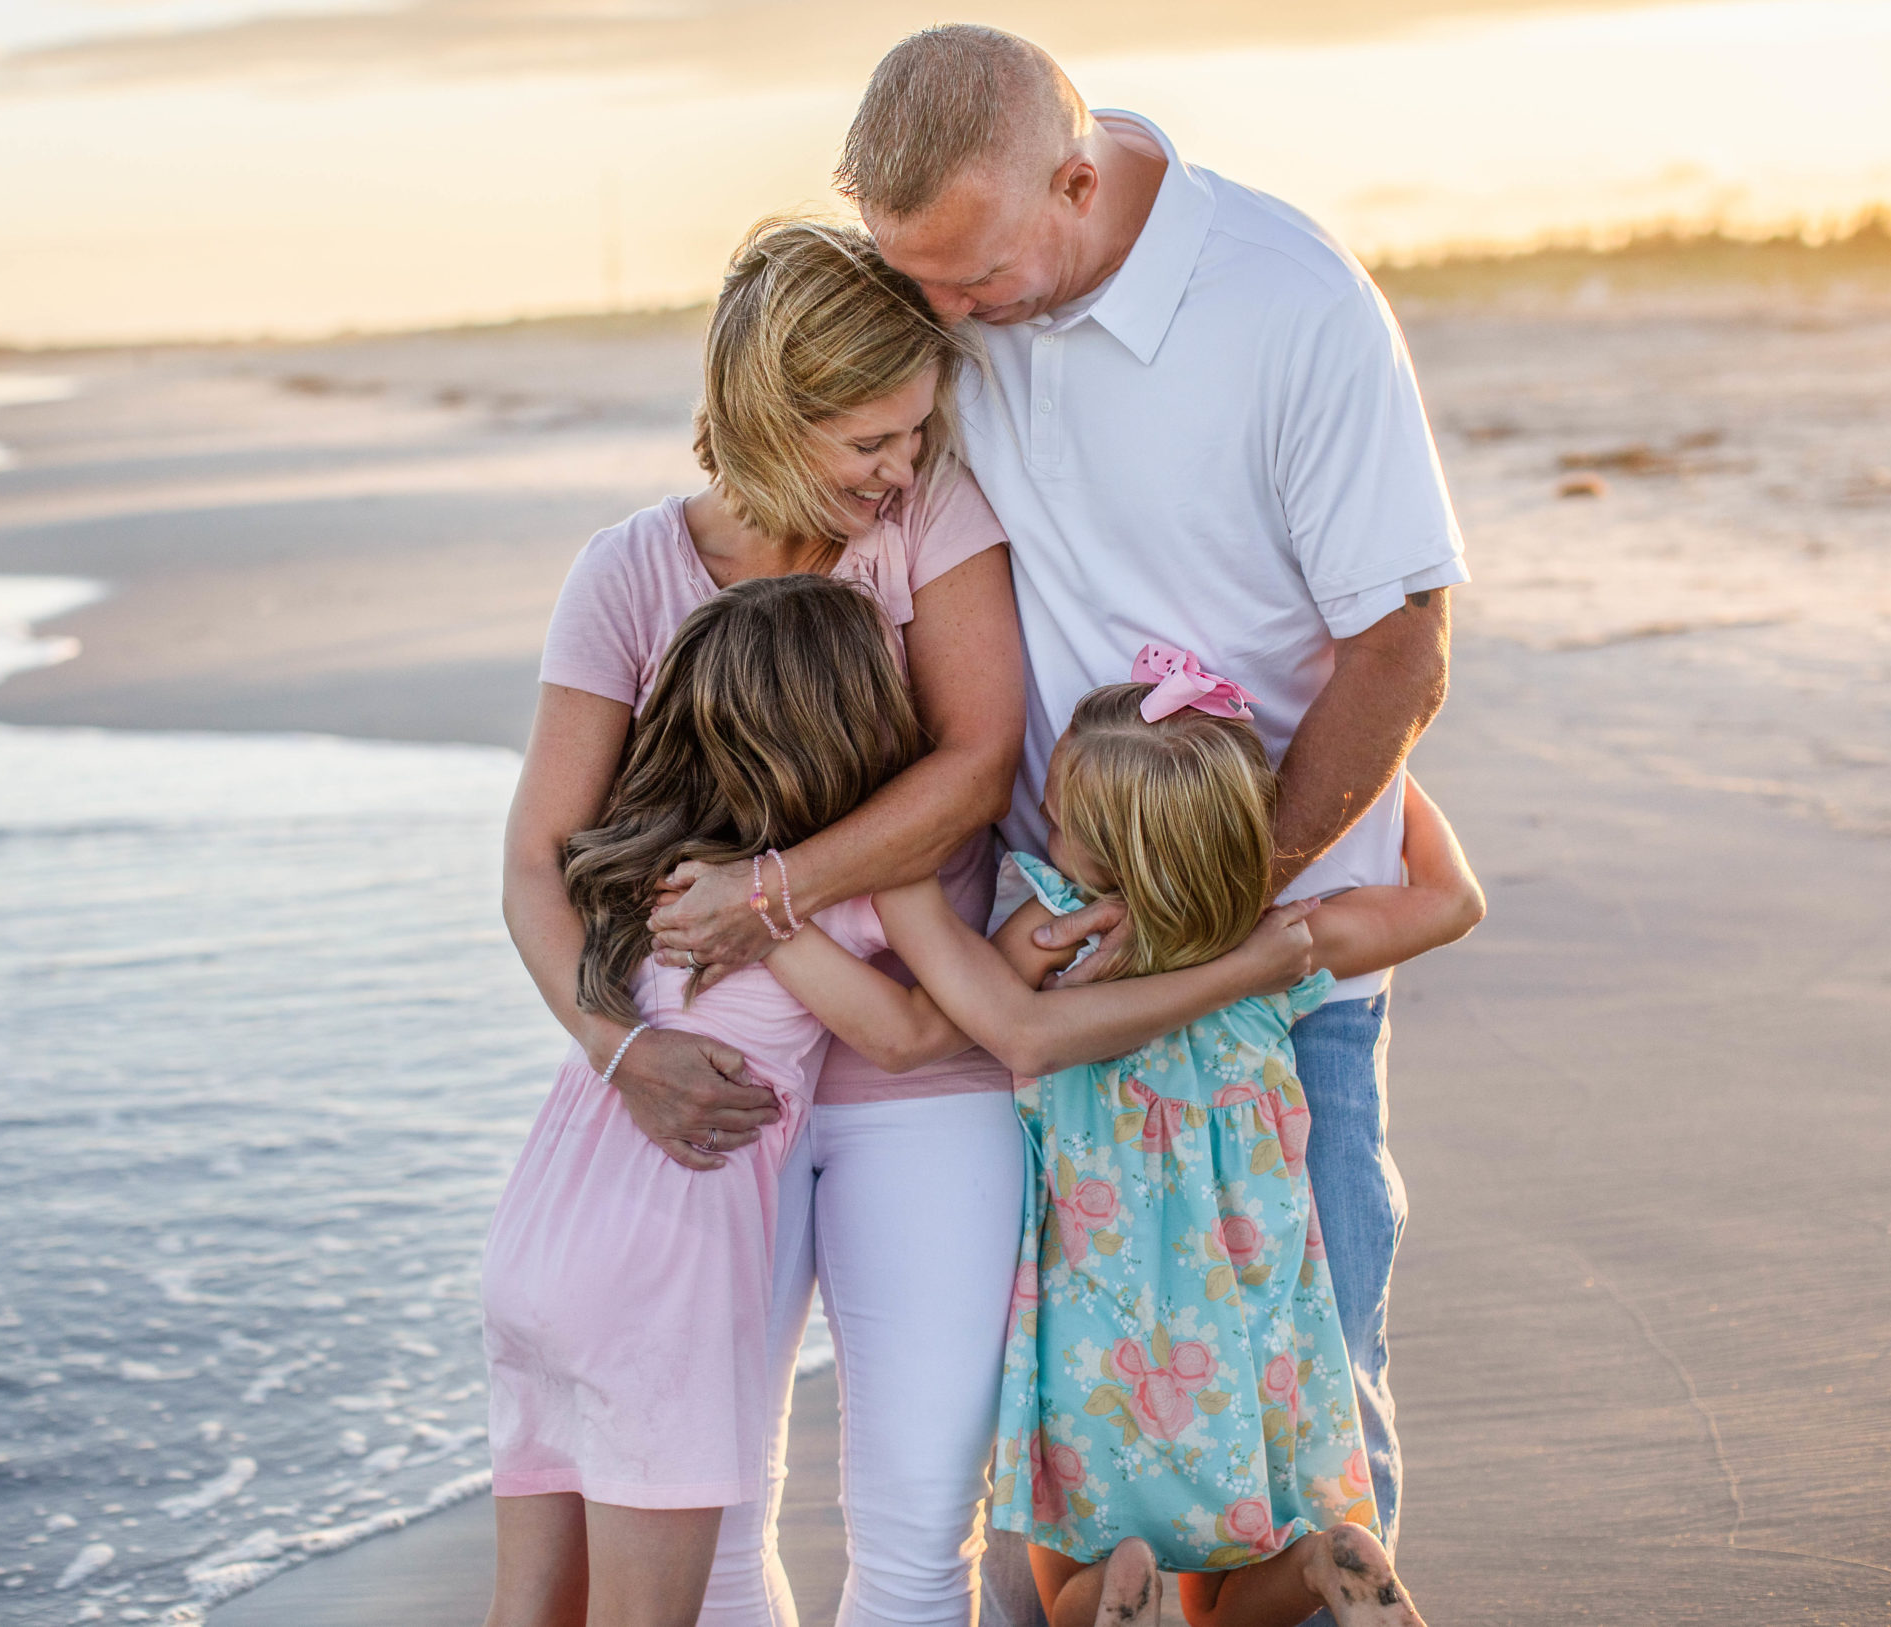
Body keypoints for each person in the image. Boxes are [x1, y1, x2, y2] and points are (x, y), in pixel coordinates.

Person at [504, 217, 1279, 1626]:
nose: (902, 469)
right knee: (717, 1529)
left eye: (917, 431)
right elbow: (535, 867)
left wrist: (772, 891)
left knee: (919, 1531)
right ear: (764, 416)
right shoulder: (627, 572)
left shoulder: (930, 521)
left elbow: (974, 765)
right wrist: (622, 1051)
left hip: (928, 1078)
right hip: (717, 1104)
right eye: (871, 441)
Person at [832, 25, 1470, 1555]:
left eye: (970, 282)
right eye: (912, 277)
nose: (941, 315)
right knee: (1051, 1407)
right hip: (1040, 947)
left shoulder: (1290, 304)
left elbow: (1400, 649)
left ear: (1075, 178)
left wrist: (1213, 902)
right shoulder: (950, 288)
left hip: (1278, 969)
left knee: (1300, 1392)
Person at [485, 582, 1321, 1627]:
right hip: (666, 1255)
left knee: (545, 1602)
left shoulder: (656, 863)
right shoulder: (852, 885)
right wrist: (783, 915)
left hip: (540, 1235)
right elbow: (920, 1031)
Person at [752, 653, 1484, 1627]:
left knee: (1072, 1573)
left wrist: (815, 898)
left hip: (1099, 1297)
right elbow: (1451, 902)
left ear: (1101, 850)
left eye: (1056, 820)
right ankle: (1318, 1563)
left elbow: (930, 1015)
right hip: (1257, 1291)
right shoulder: (1281, 940)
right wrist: (1387, 782)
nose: (1042, 832)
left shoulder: (1052, 936)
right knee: (1232, 1583)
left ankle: (1115, 1588)